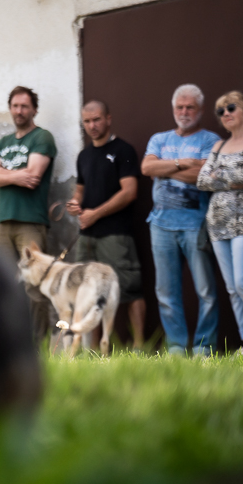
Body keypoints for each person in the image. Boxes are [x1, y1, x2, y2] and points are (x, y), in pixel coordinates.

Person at [141, 84, 221, 356]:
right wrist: (183, 163)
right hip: (160, 224)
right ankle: (176, 346)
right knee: (166, 291)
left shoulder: (210, 140)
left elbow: (203, 177)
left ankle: (204, 347)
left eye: (190, 107)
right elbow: (147, 167)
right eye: (180, 107)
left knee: (206, 291)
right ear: (173, 108)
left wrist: (165, 169)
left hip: (196, 224)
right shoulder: (159, 139)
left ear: (200, 110)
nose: (184, 112)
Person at [66, 100, 147, 349]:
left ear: (108, 119)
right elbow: (79, 191)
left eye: (97, 119)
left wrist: (96, 214)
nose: (92, 125)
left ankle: (139, 347)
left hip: (116, 234)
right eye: (87, 121)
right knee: (89, 293)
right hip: (87, 235)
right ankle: (95, 351)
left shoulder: (124, 150)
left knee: (128, 289)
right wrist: (75, 204)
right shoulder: (84, 155)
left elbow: (130, 192)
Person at [198, 91, 243, 355]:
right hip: (218, 223)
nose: (226, 113)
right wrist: (231, 175)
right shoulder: (218, 146)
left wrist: (218, 173)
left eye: (231, 107)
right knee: (232, 287)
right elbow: (202, 180)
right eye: (221, 111)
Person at [0, 86, 57, 338]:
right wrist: (16, 175)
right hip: (3, 222)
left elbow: (33, 176)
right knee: (5, 284)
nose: (19, 111)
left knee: (34, 285)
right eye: (15, 106)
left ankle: (39, 345)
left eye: (24, 106)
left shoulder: (42, 137)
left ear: (34, 110)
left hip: (31, 220)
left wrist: (2, 173)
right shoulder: (3, 142)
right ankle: (12, 344)